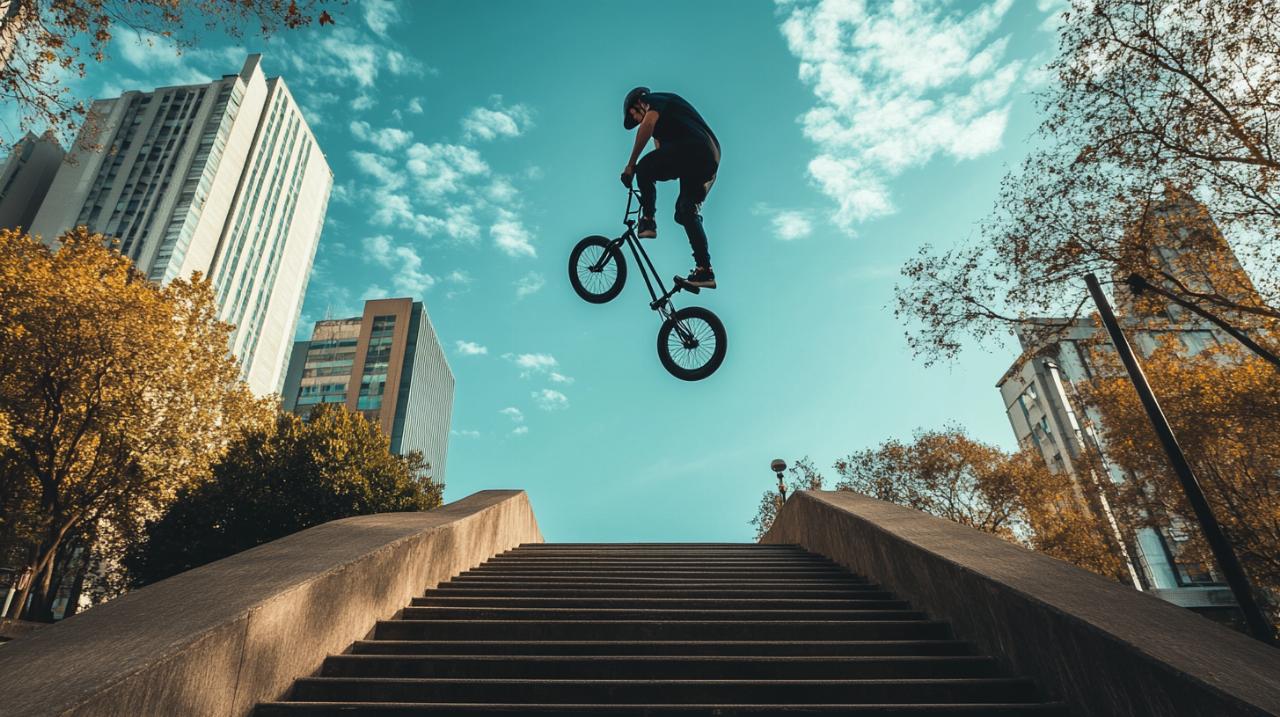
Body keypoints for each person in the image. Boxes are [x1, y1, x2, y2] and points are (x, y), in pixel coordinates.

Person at [620, 87, 721, 289]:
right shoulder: (669, 129)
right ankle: (704, 270)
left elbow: (647, 124)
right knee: (685, 212)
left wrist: (631, 166)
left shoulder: (653, 100)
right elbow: (662, 159)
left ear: (639, 103)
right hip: (707, 159)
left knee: (644, 168)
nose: (638, 119)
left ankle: (648, 220)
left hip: (695, 147)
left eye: (634, 114)